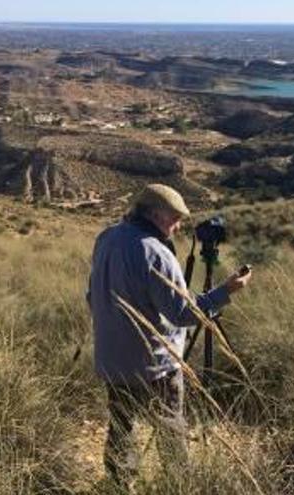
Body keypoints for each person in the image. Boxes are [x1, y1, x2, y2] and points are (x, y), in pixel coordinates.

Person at [86, 183, 251, 486]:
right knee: (170, 429)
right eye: (175, 218)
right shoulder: (156, 252)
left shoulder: (106, 237)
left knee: (122, 426)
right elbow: (184, 314)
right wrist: (225, 291)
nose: (177, 227)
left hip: (112, 360)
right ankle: (179, 484)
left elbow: (91, 296)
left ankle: (118, 486)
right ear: (156, 214)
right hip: (154, 366)